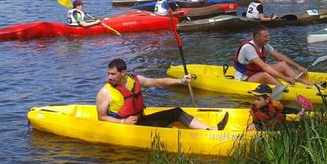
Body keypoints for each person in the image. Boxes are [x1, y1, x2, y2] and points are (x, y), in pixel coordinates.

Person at [96, 58, 228, 130]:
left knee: (176, 112)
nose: (109, 77)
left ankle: (210, 130)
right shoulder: (105, 92)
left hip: (140, 120)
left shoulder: (136, 80)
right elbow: (102, 117)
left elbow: (159, 82)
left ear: (123, 73)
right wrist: (124, 122)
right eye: (108, 73)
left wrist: (181, 80)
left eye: (113, 74)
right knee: (165, 127)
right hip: (126, 126)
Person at [233, 25, 312, 86]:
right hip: (244, 80)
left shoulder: (264, 45)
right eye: (265, 37)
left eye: (268, 36)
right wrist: (285, 78)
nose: (268, 38)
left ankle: (307, 83)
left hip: (256, 73)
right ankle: (283, 88)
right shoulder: (248, 48)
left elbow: (279, 57)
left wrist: (297, 66)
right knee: (265, 75)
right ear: (257, 37)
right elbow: (265, 67)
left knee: (282, 65)